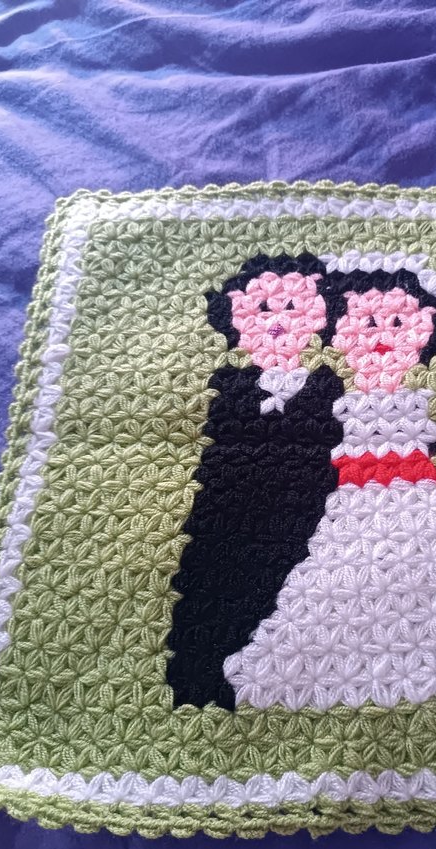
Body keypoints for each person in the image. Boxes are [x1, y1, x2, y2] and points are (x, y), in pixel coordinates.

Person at [224, 259, 436, 710]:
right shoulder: (330, 395)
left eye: (400, 322)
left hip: (417, 499)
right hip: (351, 502)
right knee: (337, 583)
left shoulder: (420, 397)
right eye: (365, 322)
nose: (381, 334)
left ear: (427, 330)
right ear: (339, 332)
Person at [166, 253, 344, 709]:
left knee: (272, 591)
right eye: (263, 308)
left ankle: (242, 674)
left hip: (300, 513)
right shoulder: (229, 383)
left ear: (317, 319)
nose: (277, 320)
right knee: (207, 584)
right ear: (237, 320)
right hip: (226, 509)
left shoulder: (328, 385)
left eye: (292, 307)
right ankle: (193, 679)